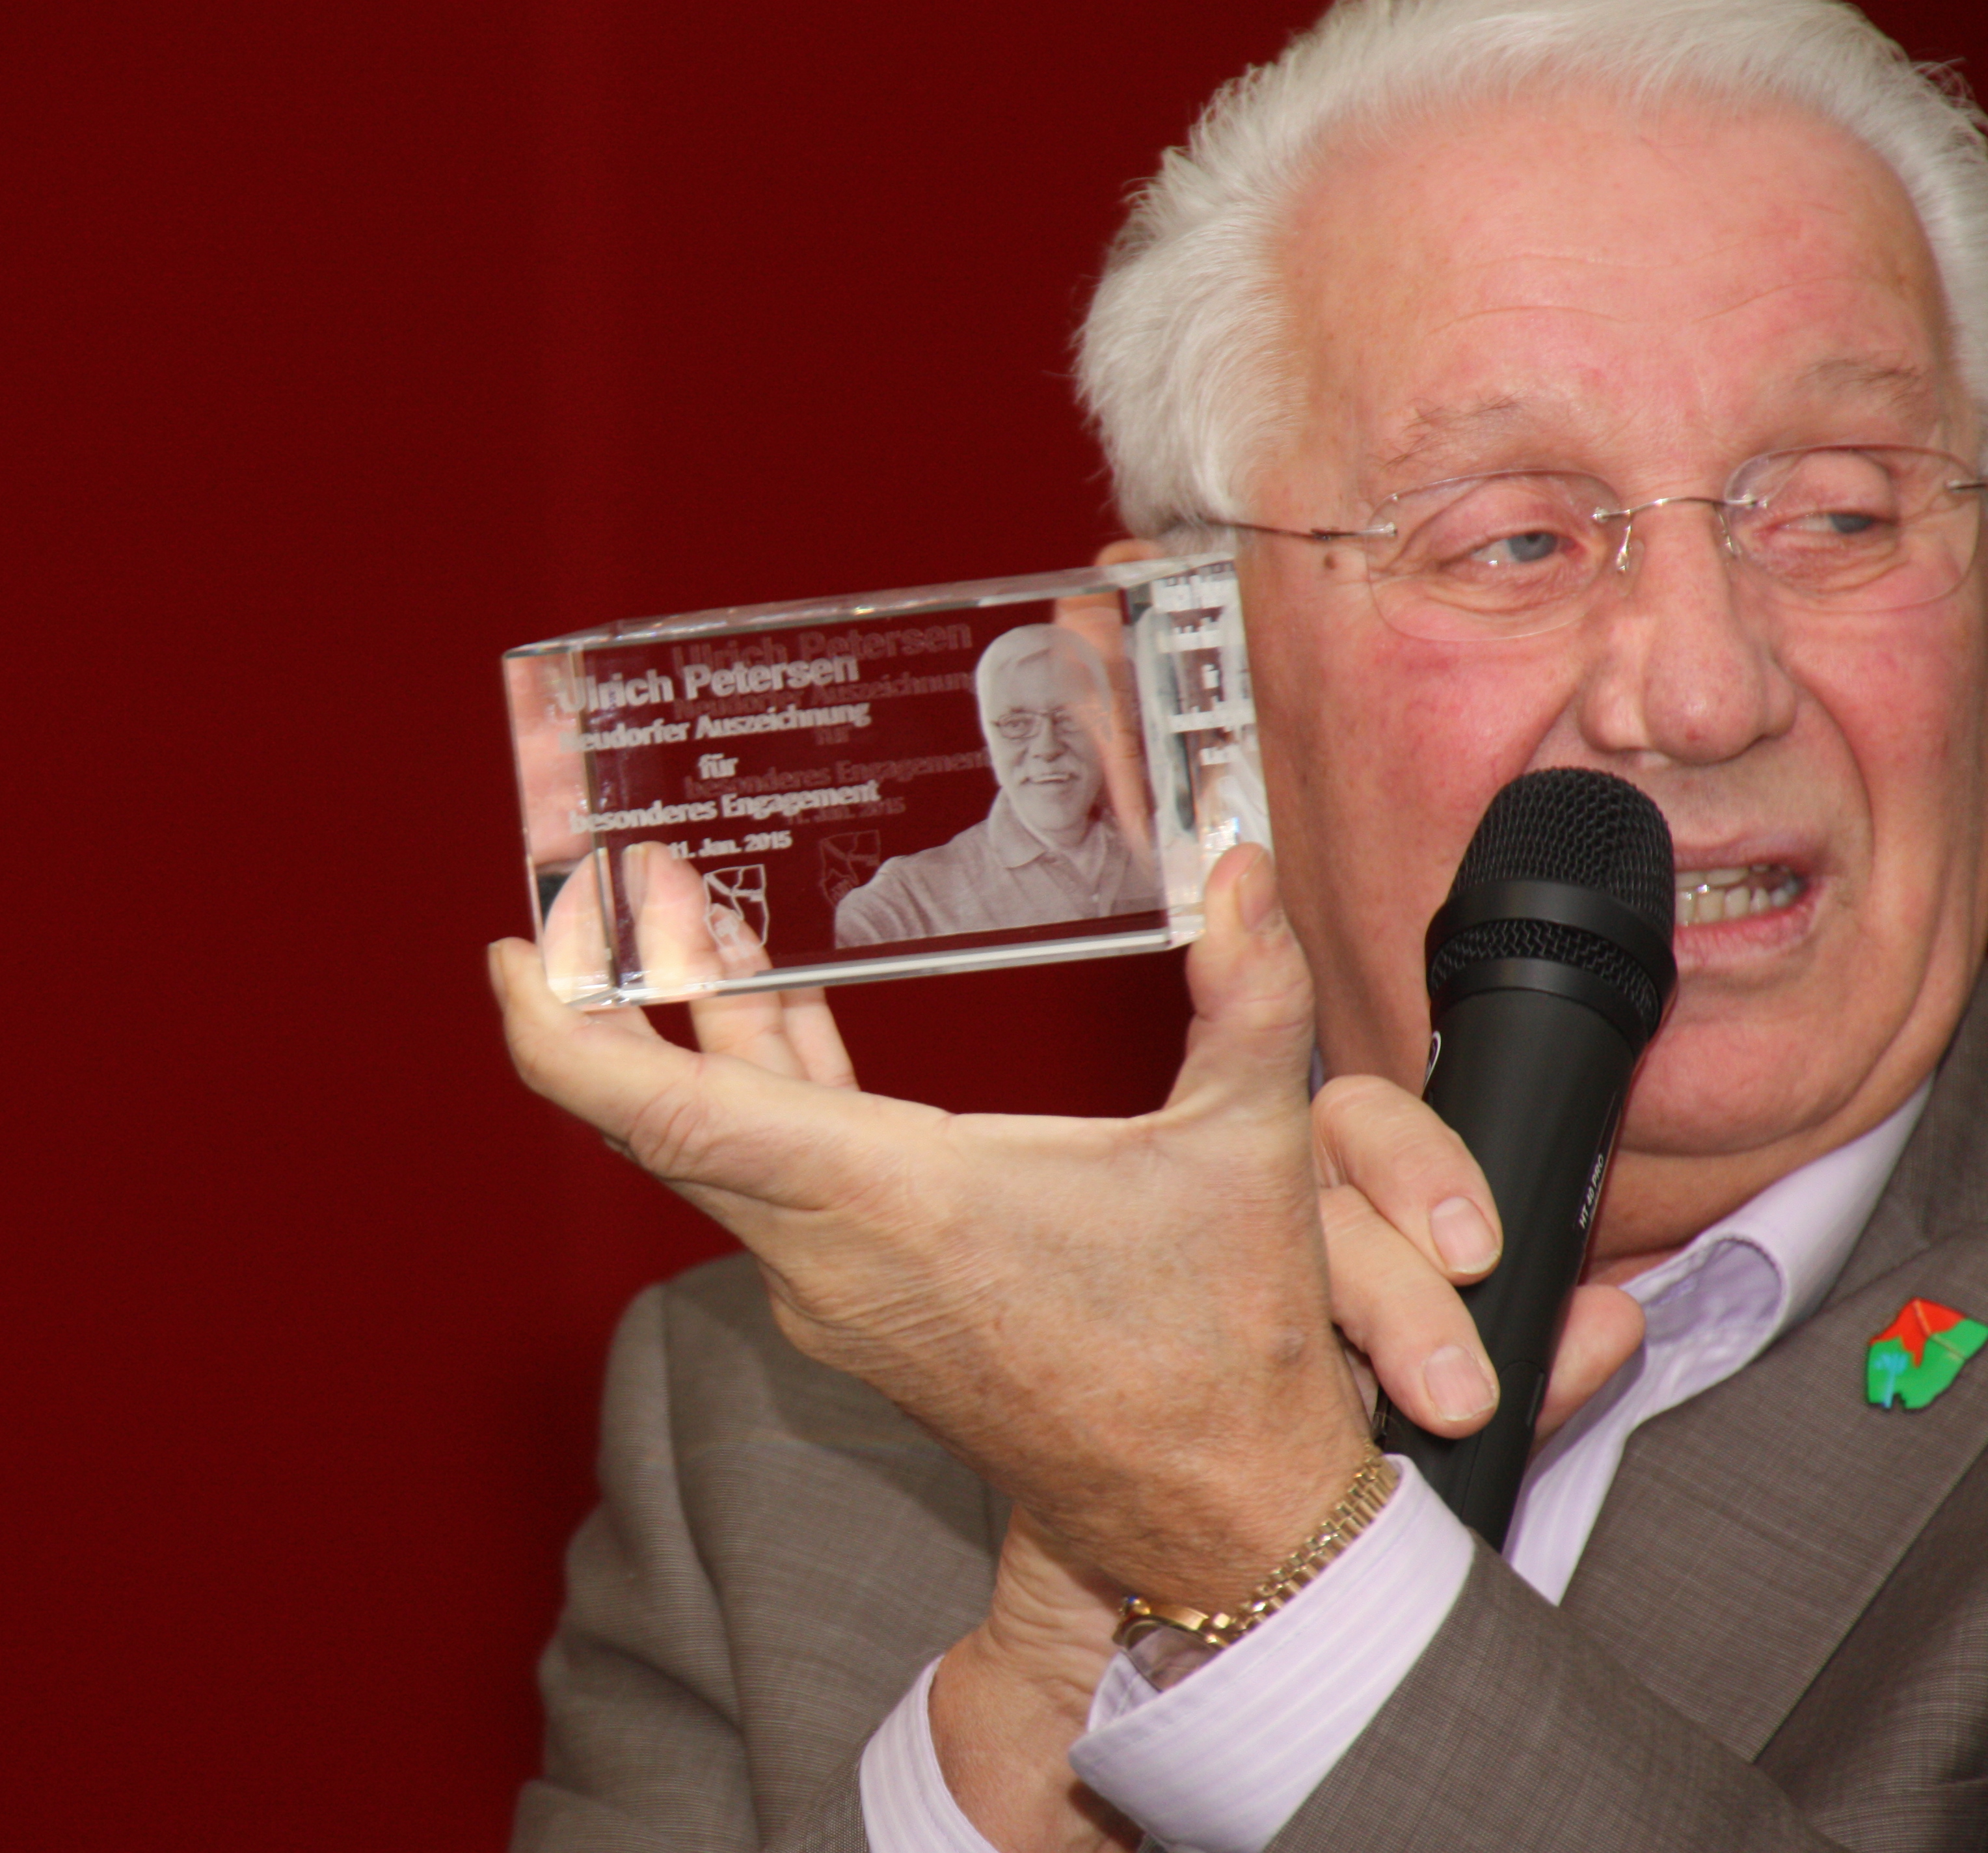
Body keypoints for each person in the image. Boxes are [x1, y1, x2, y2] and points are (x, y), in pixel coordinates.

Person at [490, 1, 1988, 1847]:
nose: (1701, 689)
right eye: (1515, 540)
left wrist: (1257, 1550)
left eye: (1837, 514)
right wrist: (1034, 1710)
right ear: (1163, 713)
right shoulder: (782, 1437)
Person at [833, 624, 1157, 946]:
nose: (1047, 748)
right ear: (990, 741)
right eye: (1017, 724)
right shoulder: (909, 898)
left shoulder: (1167, 852)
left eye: (1070, 717)